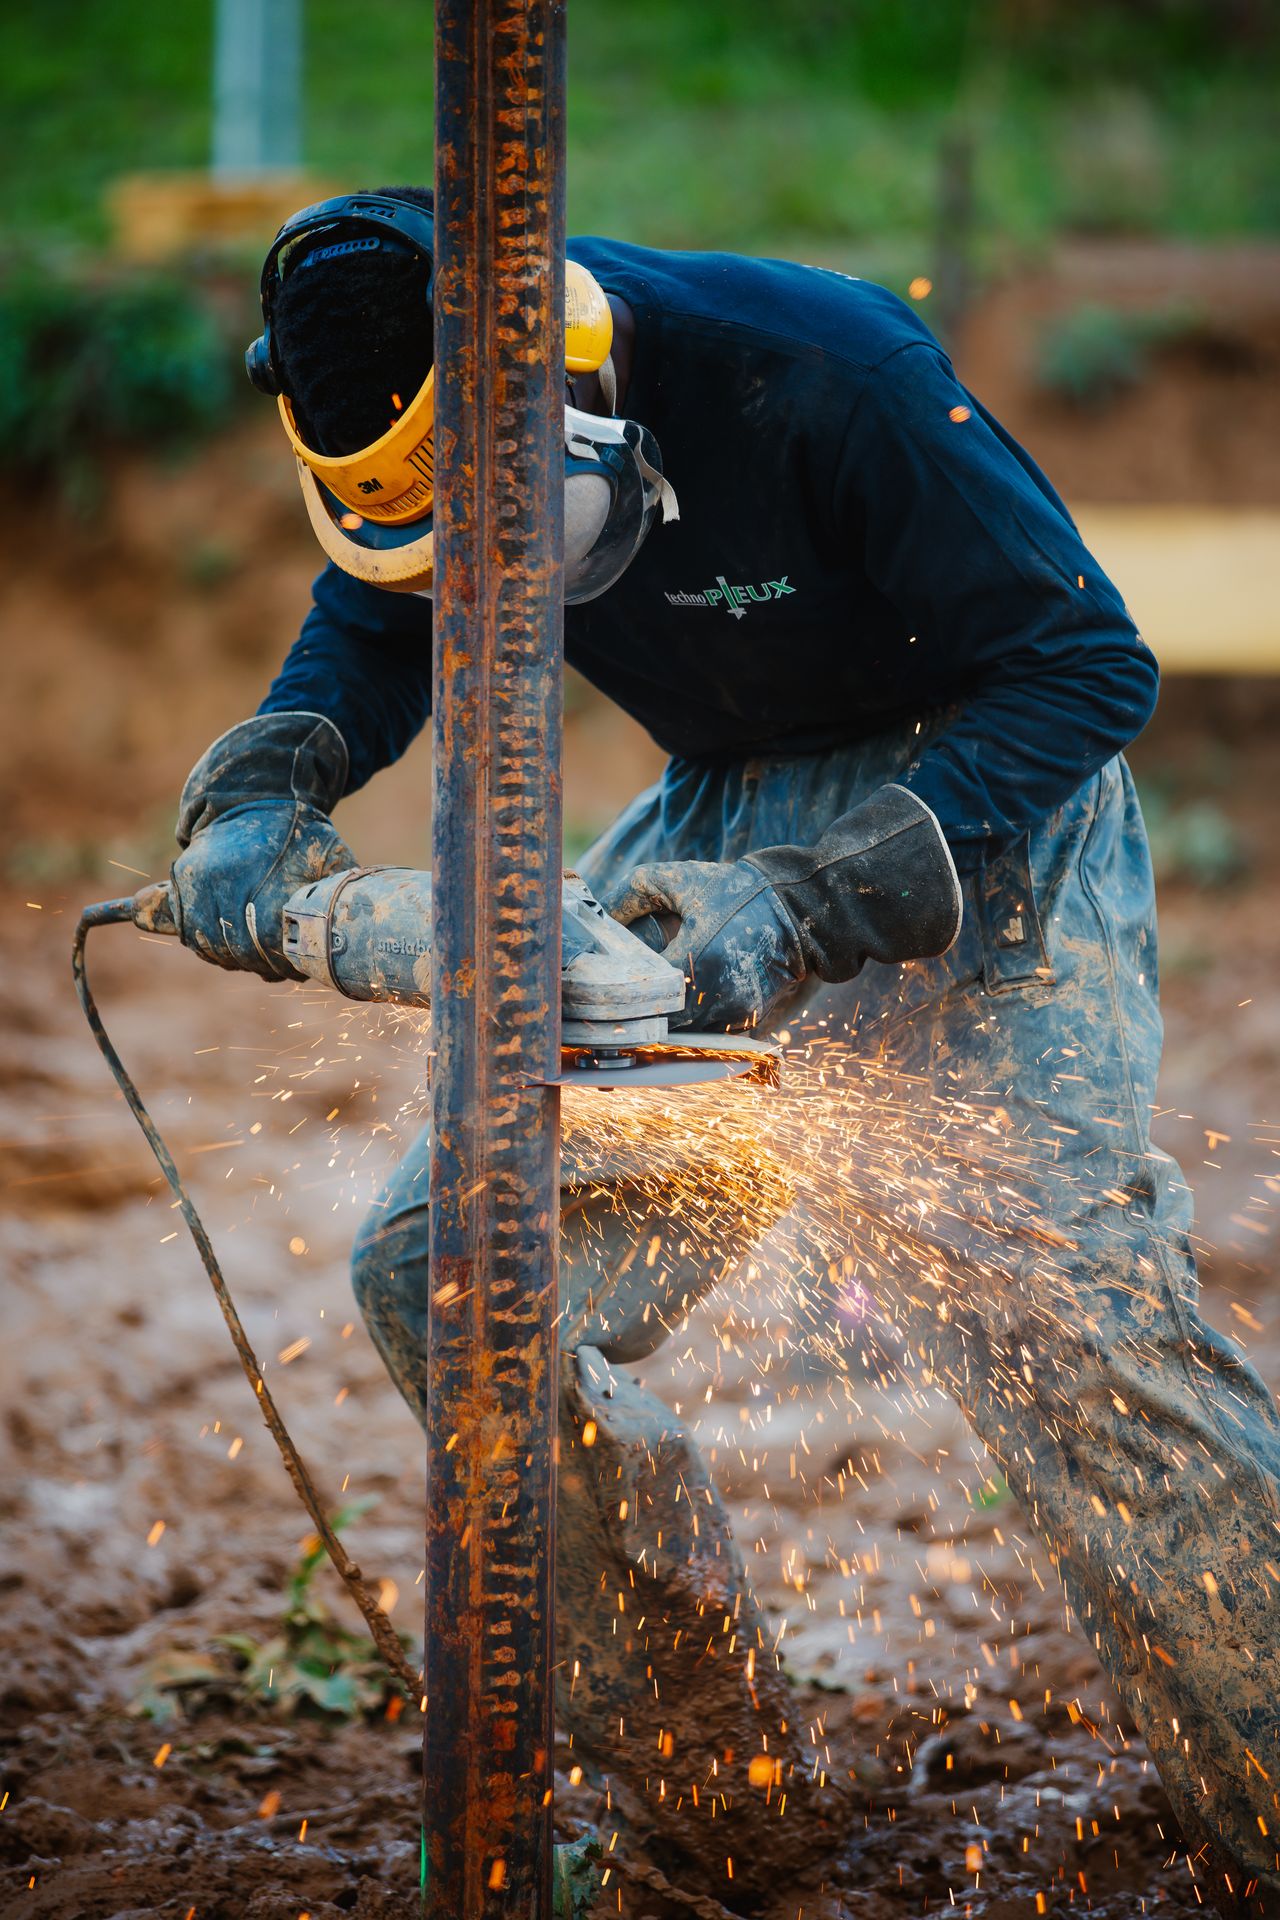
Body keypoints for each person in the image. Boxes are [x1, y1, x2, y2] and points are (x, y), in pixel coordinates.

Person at [169, 186, 1280, 1915]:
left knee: (1064, 1322)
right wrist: (270, 776)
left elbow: (1084, 668)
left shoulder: (823, 374)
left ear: (574, 390)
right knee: (459, 1272)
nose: (489, 578)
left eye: (519, 535)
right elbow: (383, 621)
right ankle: (716, 1794)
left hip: (978, 803)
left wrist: (813, 900)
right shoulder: (448, 439)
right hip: (722, 812)